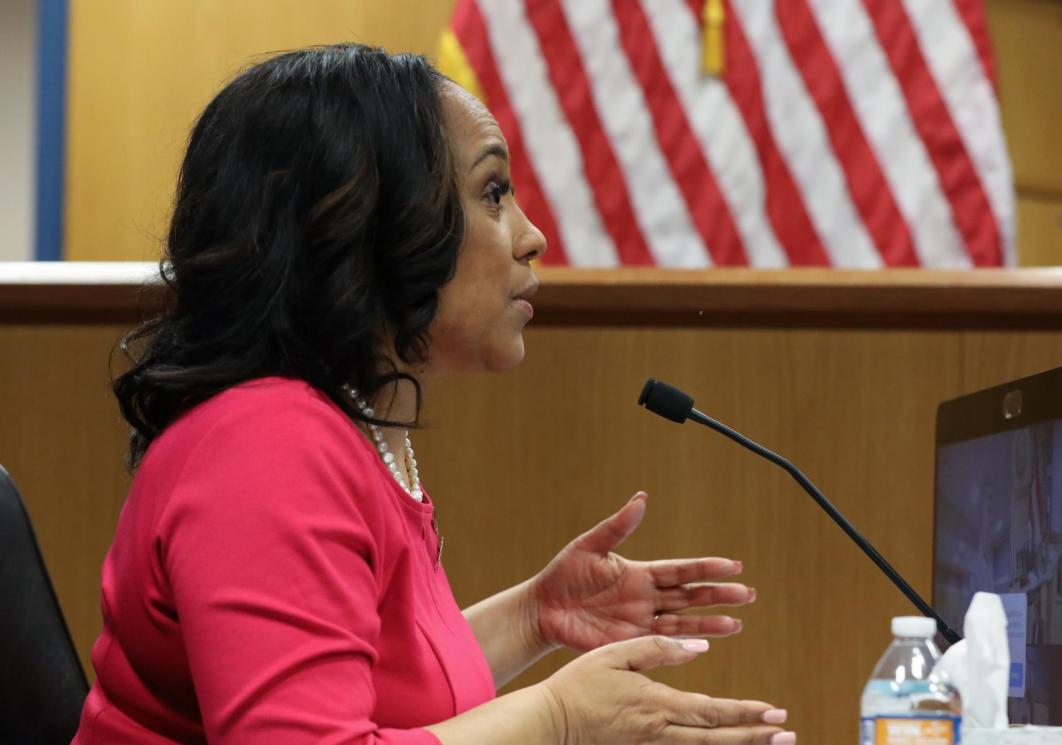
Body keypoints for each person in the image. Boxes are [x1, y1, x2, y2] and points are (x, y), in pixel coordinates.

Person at [71, 44, 796, 745]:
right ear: (371, 222)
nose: (532, 236)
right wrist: (560, 718)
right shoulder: (266, 446)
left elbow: (374, 684)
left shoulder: (341, 424)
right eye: (492, 192)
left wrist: (536, 614)